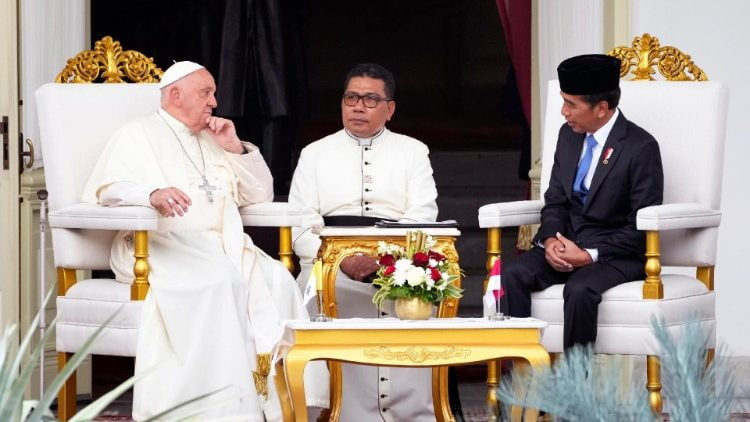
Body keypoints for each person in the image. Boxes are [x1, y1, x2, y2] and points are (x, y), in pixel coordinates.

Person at [82, 61, 328, 421]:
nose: (214, 102)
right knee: (218, 282)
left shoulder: (213, 139)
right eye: (206, 93)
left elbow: (260, 193)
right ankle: (212, 410)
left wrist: (233, 147)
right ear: (175, 95)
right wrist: (151, 193)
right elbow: (110, 189)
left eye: (213, 93)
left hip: (222, 245)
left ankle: (277, 405)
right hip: (161, 245)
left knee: (276, 279)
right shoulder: (137, 134)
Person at [288, 63, 438, 421]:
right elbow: (301, 226)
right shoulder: (314, 153)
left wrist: (387, 261)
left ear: (390, 108)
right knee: (317, 299)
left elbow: (423, 213)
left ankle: (406, 414)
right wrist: (341, 260)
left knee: (417, 302)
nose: (358, 106)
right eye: (351, 97)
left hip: (397, 260)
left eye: (370, 99)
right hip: (328, 262)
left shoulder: (413, 151)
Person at [502, 54, 664, 349]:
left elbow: (640, 227)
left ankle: (575, 390)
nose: (564, 112)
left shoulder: (641, 147)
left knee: (579, 289)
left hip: (615, 254)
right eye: (563, 101)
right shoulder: (569, 136)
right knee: (512, 275)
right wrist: (551, 239)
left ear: (602, 107)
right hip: (566, 243)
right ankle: (521, 381)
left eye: (572, 104)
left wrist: (589, 254)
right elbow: (555, 201)